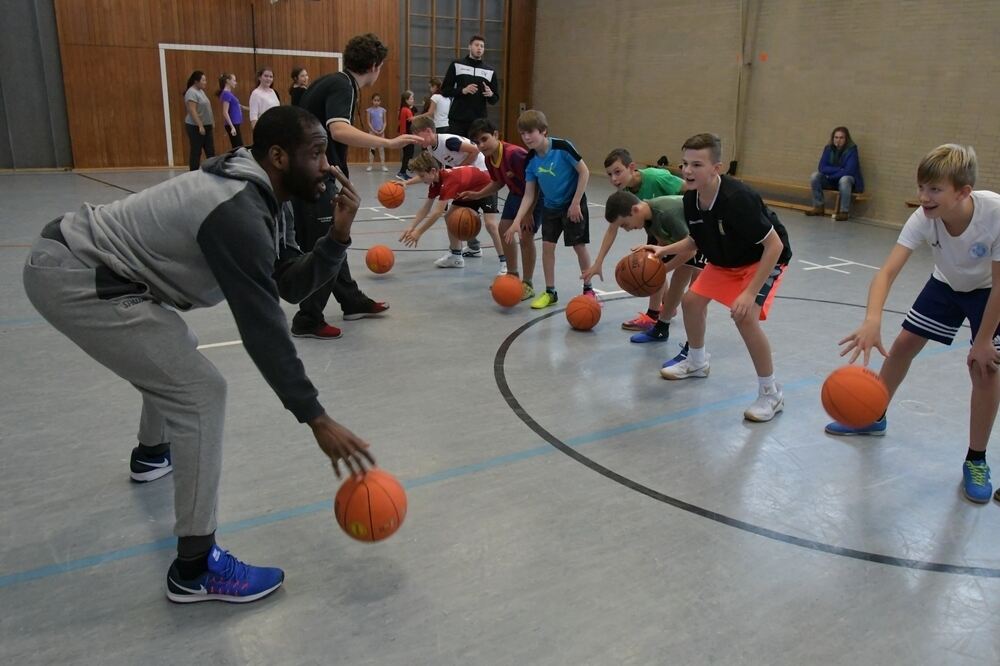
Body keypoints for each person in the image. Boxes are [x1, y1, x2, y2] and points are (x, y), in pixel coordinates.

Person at [22, 105, 375, 603]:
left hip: (96, 270)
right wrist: (315, 415)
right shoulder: (235, 210)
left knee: (176, 353)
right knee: (200, 393)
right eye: (318, 153)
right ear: (278, 157)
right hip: (77, 275)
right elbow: (263, 326)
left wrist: (338, 236)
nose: (330, 166)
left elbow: (288, 284)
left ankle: (151, 456)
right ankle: (195, 567)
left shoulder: (270, 194)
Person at [827, 144, 1000, 503]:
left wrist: (983, 340)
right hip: (946, 283)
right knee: (903, 345)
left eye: (935, 189)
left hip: (988, 291)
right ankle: (874, 414)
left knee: (984, 369)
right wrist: (872, 320)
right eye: (921, 187)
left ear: (963, 192)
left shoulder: (994, 214)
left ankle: (976, 459)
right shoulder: (924, 217)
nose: (924, 197)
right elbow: (887, 272)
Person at [639, 133, 792, 422]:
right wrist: (663, 250)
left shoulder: (738, 199)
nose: (687, 171)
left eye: (697, 165)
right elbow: (695, 241)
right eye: (685, 164)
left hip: (762, 258)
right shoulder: (690, 200)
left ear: (716, 168)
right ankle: (697, 362)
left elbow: (775, 246)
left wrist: (749, 293)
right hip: (726, 259)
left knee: (744, 316)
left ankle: (771, 393)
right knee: (691, 301)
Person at [294, 33, 421, 339]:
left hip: (314, 173)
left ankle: (350, 301)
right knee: (326, 244)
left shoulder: (332, 81)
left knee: (334, 239)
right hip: (313, 178)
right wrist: (388, 142)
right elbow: (338, 129)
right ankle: (307, 319)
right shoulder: (343, 85)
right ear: (375, 65)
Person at [585, 148, 700, 349]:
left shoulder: (657, 179)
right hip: (656, 224)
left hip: (687, 227)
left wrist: (693, 215)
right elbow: (612, 228)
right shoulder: (625, 196)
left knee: (693, 293)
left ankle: (694, 347)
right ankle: (659, 319)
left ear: (632, 167)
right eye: (610, 174)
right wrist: (598, 262)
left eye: (617, 172)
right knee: (656, 267)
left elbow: (690, 190)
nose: (614, 178)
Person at [508, 109, 594, 310]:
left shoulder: (563, 147)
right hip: (550, 207)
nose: (527, 137)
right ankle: (550, 292)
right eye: (523, 133)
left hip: (573, 203)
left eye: (531, 132)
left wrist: (575, 203)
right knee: (548, 248)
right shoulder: (530, 160)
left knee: (578, 246)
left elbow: (584, 172)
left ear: (544, 131)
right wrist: (516, 221)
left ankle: (588, 289)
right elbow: (529, 193)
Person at [406, 115, 501, 264]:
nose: (416, 140)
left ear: (428, 131)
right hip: (465, 179)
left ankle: (505, 260)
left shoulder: (449, 142)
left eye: (417, 136)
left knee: (490, 224)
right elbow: (430, 172)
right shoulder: (431, 148)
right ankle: (461, 253)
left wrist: (459, 168)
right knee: (453, 216)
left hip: (483, 175)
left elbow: (475, 150)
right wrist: (407, 183)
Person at [465, 117, 541, 299]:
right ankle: (512, 276)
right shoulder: (490, 158)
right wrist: (477, 195)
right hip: (516, 194)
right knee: (503, 229)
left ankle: (528, 284)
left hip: (536, 196)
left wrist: (529, 212)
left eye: (484, 139)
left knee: (525, 237)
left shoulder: (515, 154)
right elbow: (498, 182)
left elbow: (536, 183)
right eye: (477, 142)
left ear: (496, 135)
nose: (481, 145)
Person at [398, 152, 503, 274]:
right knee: (450, 216)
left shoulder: (448, 182)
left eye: (422, 176)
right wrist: (412, 227)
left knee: (490, 225)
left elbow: (437, 212)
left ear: (433, 171)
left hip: (486, 187)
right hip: (468, 190)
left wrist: (419, 232)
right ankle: (456, 256)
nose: (421, 179)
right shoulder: (436, 181)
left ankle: (505, 262)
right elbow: (426, 209)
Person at [441, 34, 499, 138]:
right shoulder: (457, 64)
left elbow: (494, 99)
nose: (479, 48)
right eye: (476, 45)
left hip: (478, 120)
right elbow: (445, 90)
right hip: (458, 119)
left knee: (476, 151)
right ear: (469, 47)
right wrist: (462, 90)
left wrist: (490, 94)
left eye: (482, 46)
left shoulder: (490, 71)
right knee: (455, 151)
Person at [807, 126, 865, 221]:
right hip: (831, 180)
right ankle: (819, 207)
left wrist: (831, 175)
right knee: (815, 176)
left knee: (845, 179)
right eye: (836, 137)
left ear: (846, 139)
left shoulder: (852, 150)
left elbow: (848, 170)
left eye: (841, 138)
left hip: (848, 183)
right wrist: (839, 169)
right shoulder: (828, 148)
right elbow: (822, 167)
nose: (838, 140)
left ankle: (844, 212)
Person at [183, 70, 214, 171]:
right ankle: (193, 172)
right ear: (196, 81)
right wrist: (200, 125)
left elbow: (206, 108)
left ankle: (213, 171)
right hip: (195, 127)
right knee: (196, 151)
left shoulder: (200, 91)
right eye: (203, 80)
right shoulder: (191, 92)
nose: (205, 82)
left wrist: (211, 122)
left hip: (206, 126)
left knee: (210, 150)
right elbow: (192, 111)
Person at [216, 73, 245, 149]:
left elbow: (239, 106)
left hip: (235, 123)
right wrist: (231, 127)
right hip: (233, 124)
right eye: (234, 80)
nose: (236, 82)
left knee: (238, 146)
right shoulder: (226, 94)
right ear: (228, 81)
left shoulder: (229, 94)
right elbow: (225, 112)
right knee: (238, 147)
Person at [364, 93, 388, 172]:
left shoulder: (383, 110)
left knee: (381, 149)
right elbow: (368, 122)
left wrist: (382, 130)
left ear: (380, 101)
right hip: (372, 132)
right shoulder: (369, 110)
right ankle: (370, 165)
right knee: (372, 149)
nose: (376, 102)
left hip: (381, 132)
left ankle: (383, 165)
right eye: (375, 100)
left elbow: (384, 122)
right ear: (372, 101)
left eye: (378, 100)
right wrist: (373, 131)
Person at [395, 90, 417, 180]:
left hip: (405, 135)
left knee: (407, 154)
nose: (413, 100)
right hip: (407, 135)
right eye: (411, 98)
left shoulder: (404, 109)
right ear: (406, 100)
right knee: (407, 155)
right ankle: (402, 172)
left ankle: (403, 171)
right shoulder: (406, 110)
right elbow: (413, 121)